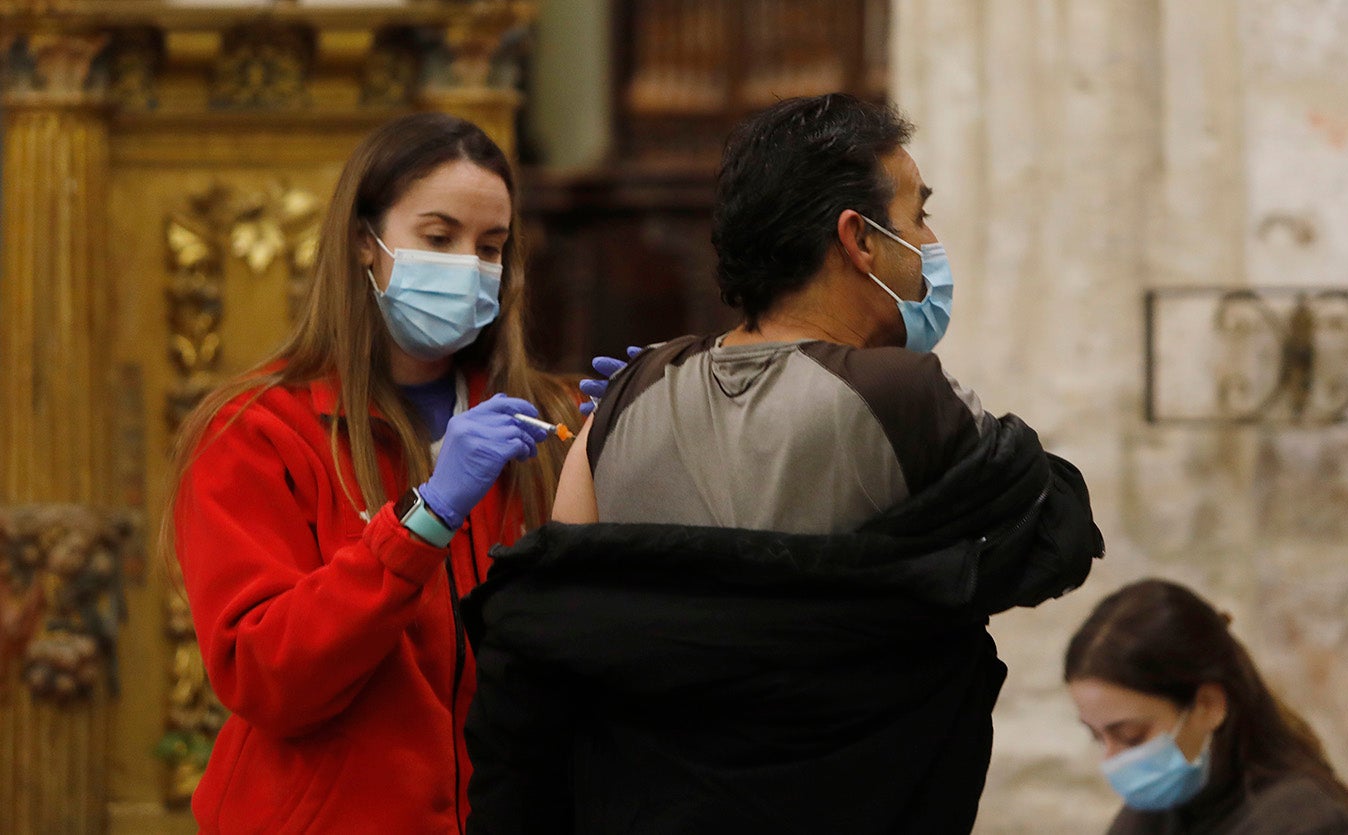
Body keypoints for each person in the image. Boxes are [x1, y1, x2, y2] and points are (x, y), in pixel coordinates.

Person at [460, 93, 1105, 834]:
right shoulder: (907, 397)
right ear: (858, 239)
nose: (931, 238)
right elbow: (1055, 535)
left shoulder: (621, 404)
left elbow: (559, 621)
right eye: (919, 215)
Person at [162, 112, 580, 833]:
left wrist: (643, 427)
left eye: (491, 247)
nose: (469, 268)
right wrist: (426, 516)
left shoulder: (536, 426)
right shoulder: (257, 430)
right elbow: (267, 675)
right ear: (366, 241)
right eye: (439, 238)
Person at [1065, 578, 1348, 835]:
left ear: (1209, 706)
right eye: (1097, 737)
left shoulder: (1305, 823)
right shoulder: (1148, 818)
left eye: (1132, 735)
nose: (1111, 761)